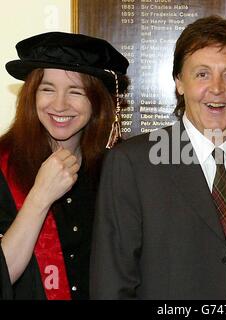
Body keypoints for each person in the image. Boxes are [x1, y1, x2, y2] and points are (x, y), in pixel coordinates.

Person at [90, 15, 226, 299]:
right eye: (202, 74)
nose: (217, 89)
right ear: (179, 82)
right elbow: (111, 284)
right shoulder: (132, 163)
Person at [0, 31, 129, 299]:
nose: (59, 105)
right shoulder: (3, 166)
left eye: (76, 91)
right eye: (47, 89)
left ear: (96, 102)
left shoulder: (117, 170)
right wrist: (39, 197)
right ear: (31, 96)